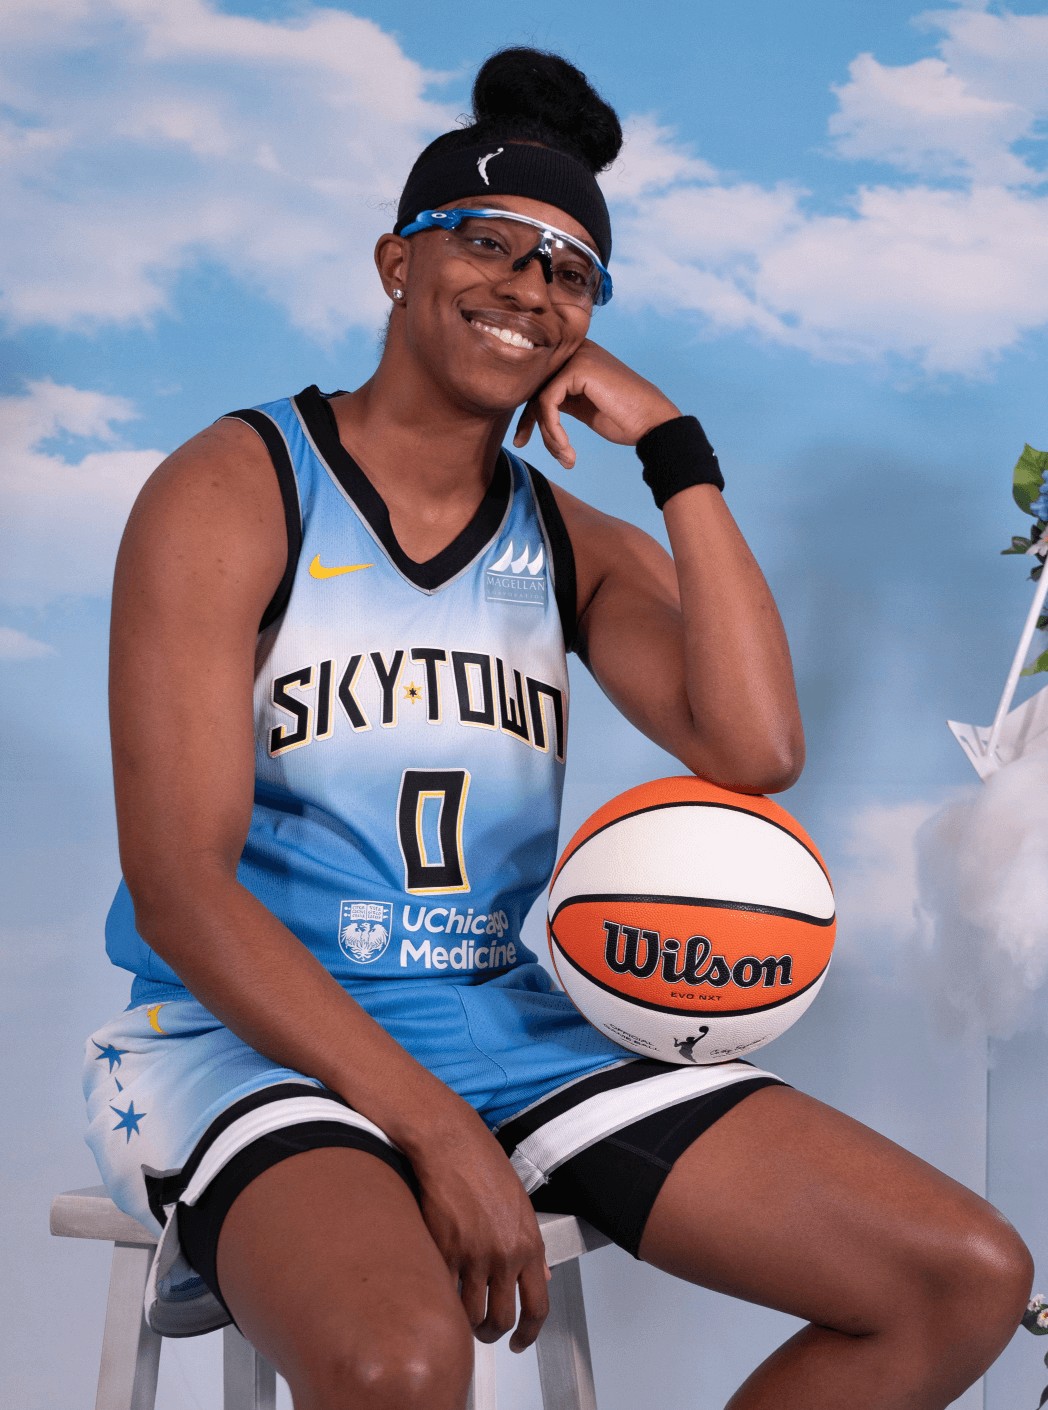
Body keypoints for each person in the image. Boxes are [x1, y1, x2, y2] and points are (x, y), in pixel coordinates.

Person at [83, 46, 1032, 1410]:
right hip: (248, 1039)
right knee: (401, 1364)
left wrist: (675, 448)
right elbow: (179, 887)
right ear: (396, 261)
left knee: (959, 1279)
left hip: (502, 1029)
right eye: (489, 242)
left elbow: (755, 748)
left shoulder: (563, 539)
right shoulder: (236, 488)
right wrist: (432, 1128)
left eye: (571, 270)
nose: (530, 286)